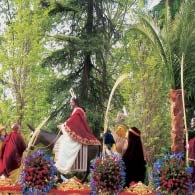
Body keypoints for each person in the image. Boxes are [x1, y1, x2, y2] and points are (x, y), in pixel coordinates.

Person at [53, 96, 101, 174]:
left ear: (75, 102)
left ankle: (65, 164)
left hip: (80, 132)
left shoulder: (78, 110)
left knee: (65, 142)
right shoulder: (77, 110)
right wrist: (64, 124)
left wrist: (63, 125)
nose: (70, 103)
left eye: (71, 101)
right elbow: (72, 121)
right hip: (78, 130)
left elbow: (73, 121)